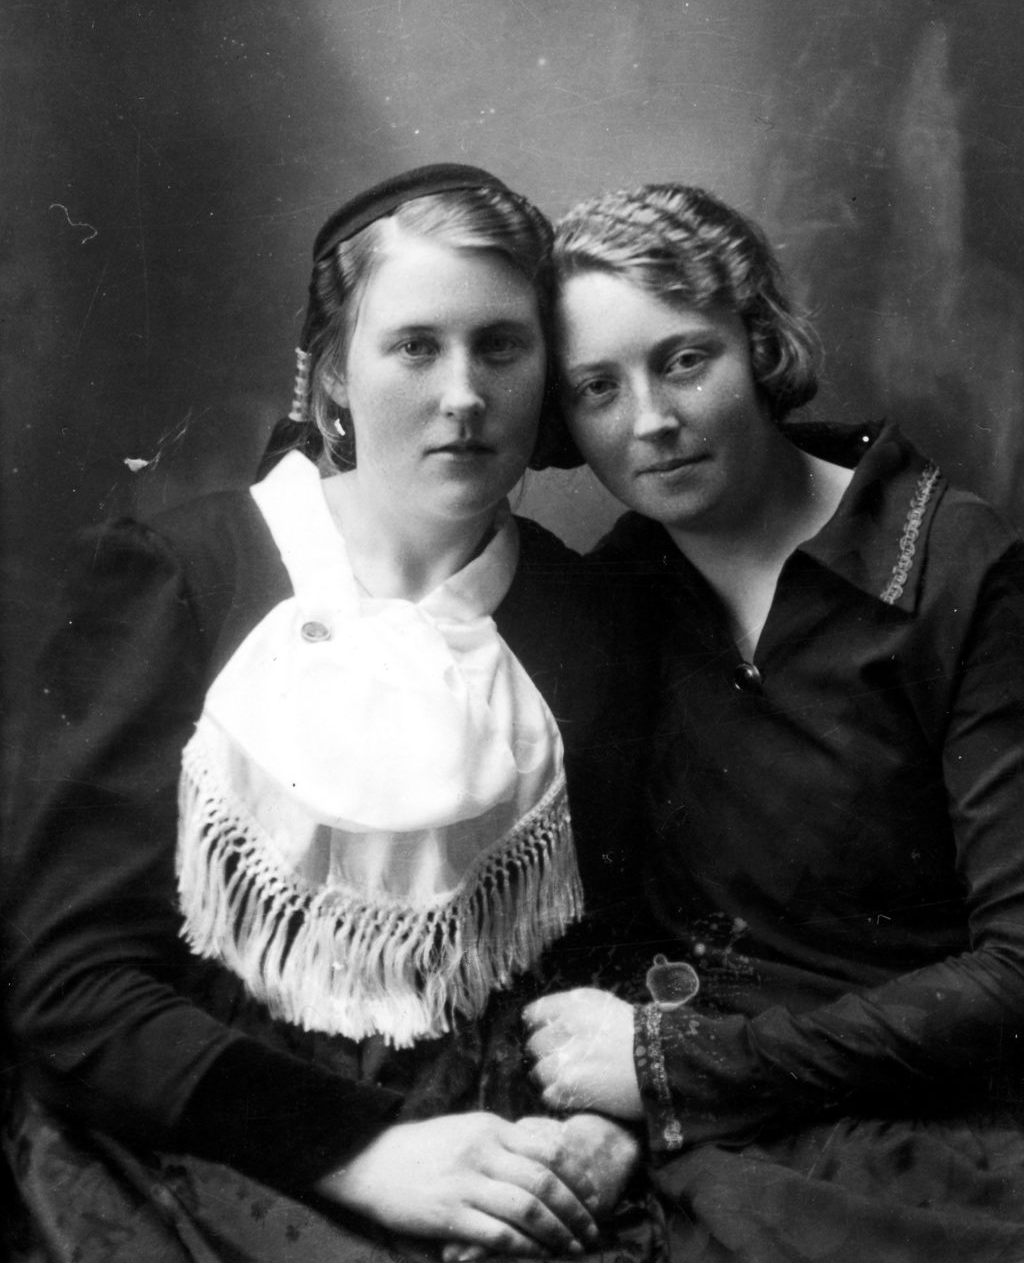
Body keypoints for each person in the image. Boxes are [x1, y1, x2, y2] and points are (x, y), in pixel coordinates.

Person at [1, 164, 647, 1263]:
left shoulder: (584, 616)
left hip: (503, 1137)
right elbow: (66, 979)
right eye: (415, 346)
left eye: (501, 346)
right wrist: (367, 1152)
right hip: (209, 1130)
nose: (464, 394)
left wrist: (603, 1130)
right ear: (334, 372)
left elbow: (627, 942)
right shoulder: (183, 577)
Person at [524, 182, 1024, 1261]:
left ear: (758, 344)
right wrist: (624, 1110)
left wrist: (674, 1072)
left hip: (940, 1124)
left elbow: (1016, 972)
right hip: (707, 1129)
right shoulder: (620, 590)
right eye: (598, 388)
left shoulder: (954, 567)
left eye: (684, 360)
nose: (650, 421)